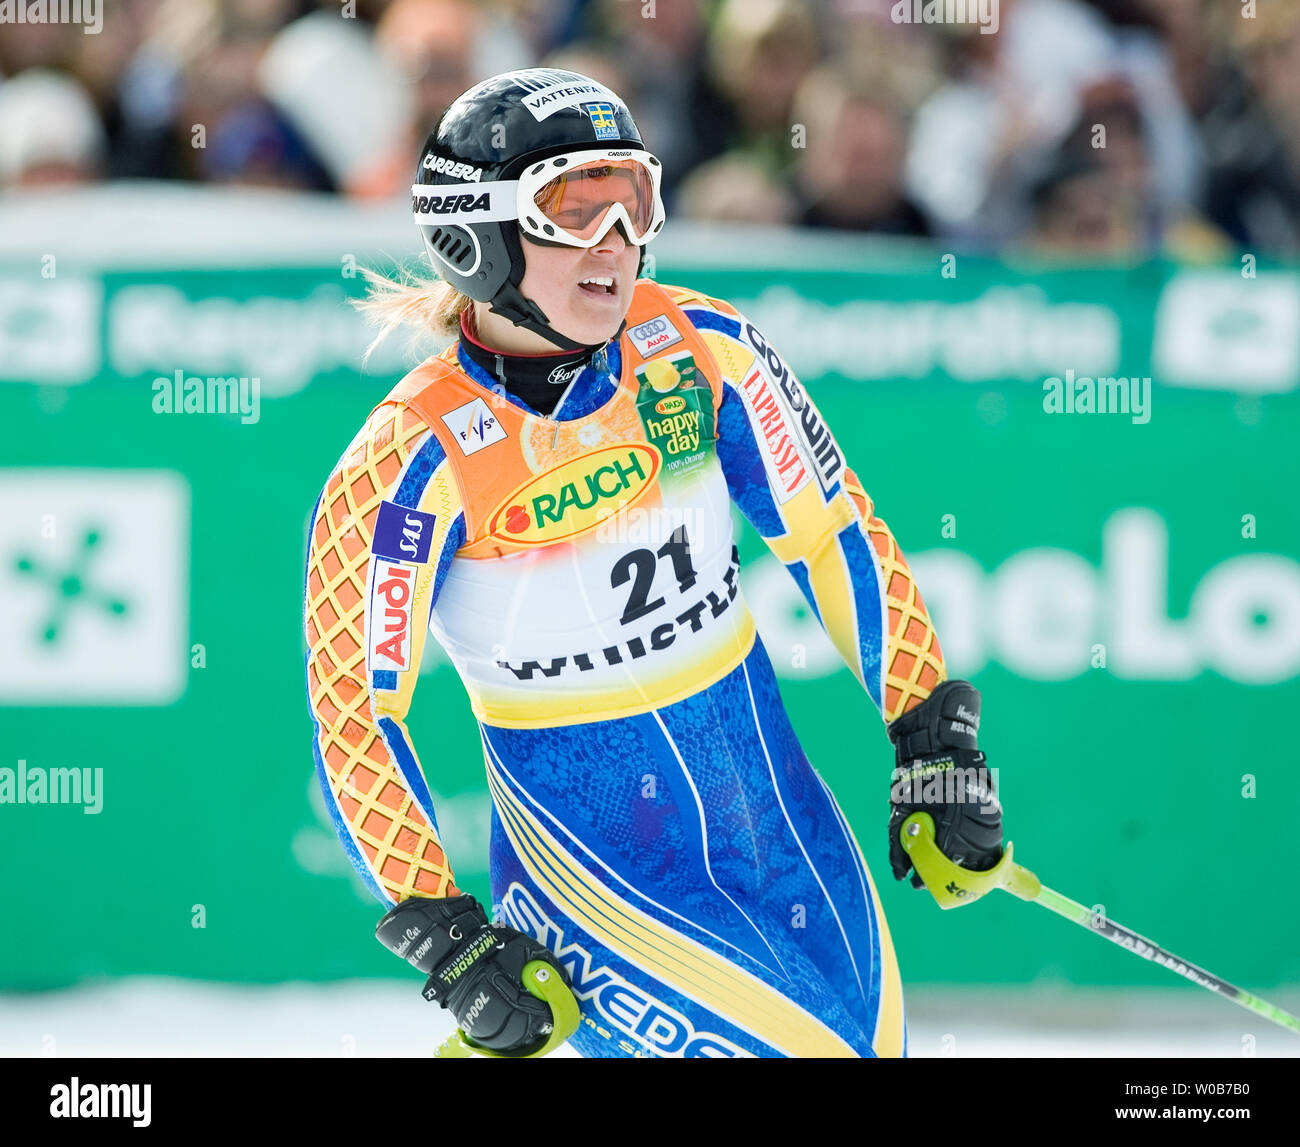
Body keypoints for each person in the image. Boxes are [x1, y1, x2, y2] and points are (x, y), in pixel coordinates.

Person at [303, 67, 1004, 1059]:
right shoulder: (407, 461)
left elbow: (831, 534)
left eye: (630, 201)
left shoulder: (701, 349)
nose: (615, 244)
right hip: (595, 880)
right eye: (571, 212)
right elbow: (353, 720)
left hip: (783, 836)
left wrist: (932, 734)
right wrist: (448, 939)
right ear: (477, 236)